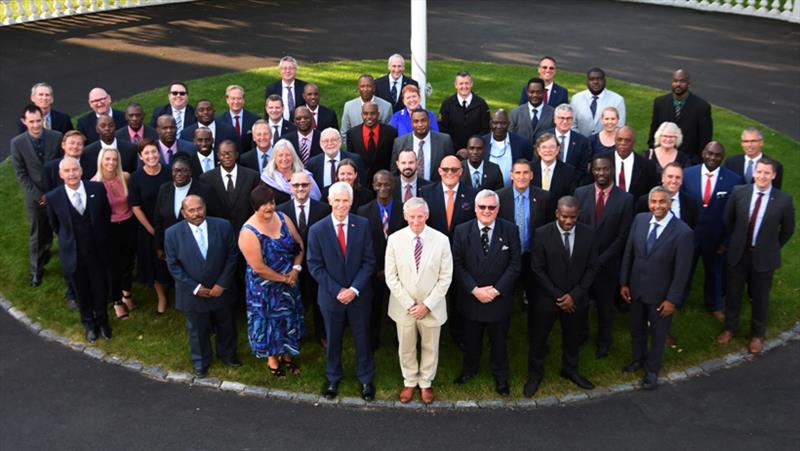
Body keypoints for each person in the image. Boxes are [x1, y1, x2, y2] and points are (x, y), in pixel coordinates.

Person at [306, 182, 377, 401]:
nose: (341, 205)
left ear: (351, 201)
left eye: (345, 200)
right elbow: (315, 265)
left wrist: (354, 289)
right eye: (337, 200)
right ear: (329, 201)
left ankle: (365, 379)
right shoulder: (317, 230)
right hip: (331, 296)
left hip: (359, 295)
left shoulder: (362, 225)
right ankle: (333, 378)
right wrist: (338, 291)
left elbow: (369, 261)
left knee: (362, 338)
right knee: (333, 338)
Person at [717, 159, 794, 354]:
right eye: (759, 172)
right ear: (754, 173)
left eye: (767, 173)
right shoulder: (739, 192)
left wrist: (772, 247)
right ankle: (730, 328)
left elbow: (788, 229)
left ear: (773, 176)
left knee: (760, 297)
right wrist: (737, 241)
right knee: (733, 293)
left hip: (763, 257)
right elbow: (728, 220)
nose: (762, 176)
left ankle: (757, 335)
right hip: (738, 254)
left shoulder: (783, 200)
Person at [620, 186, 694, 390]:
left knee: (659, 334)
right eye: (654, 201)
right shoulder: (640, 220)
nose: (657, 206)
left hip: (661, 295)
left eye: (662, 202)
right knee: (636, 328)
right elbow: (629, 252)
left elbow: (682, 272)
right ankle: (637, 360)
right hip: (635, 289)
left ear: (670, 203)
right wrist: (624, 282)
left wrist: (672, 299)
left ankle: (652, 370)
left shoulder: (683, 233)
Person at [526, 196, 598, 397]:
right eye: (564, 216)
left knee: (573, 338)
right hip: (547, 300)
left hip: (576, 300)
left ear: (578, 215)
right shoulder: (542, 234)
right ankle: (535, 374)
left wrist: (574, 295)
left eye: (573, 217)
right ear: (557, 213)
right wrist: (559, 296)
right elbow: (537, 269)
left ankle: (570, 370)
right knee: (539, 339)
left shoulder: (589, 234)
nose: (568, 221)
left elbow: (593, 267)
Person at [452, 190, 521, 396]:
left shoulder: (510, 230)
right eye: (482, 207)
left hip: (498, 299)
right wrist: (474, 289)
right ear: (475, 208)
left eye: (491, 207)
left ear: (498, 209)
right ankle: (469, 369)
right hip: (471, 297)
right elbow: (456, 264)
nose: (487, 211)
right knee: (471, 340)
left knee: (499, 342)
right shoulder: (461, 231)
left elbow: (515, 264)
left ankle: (501, 376)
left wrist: (496, 290)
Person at [384, 197, 452, 404]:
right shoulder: (395, 239)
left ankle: (426, 383)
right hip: (404, 306)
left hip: (431, 306)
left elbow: (445, 276)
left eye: (420, 216)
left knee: (431, 346)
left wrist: (427, 305)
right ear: (405, 216)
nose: (416, 221)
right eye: (412, 216)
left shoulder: (441, 240)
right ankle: (410, 380)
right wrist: (410, 305)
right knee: (406, 346)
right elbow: (391, 276)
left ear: (427, 216)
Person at [165, 195, 241, 378]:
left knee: (226, 324)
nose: (196, 213)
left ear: (205, 207)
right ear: (183, 213)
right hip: (192, 293)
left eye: (199, 208)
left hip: (220, 289)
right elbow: (173, 265)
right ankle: (201, 362)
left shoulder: (223, 226)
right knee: (197, 329)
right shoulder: (172, 234)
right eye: (191, 210)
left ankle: (228, 355)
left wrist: (222, 284)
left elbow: (232, 256)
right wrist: (195, 287)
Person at [239, 185, 305, 377]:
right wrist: (284, 278)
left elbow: (299, 244)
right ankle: (272, 360)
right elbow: (258, 267)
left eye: (271, 202)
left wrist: (296, 269)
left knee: (287, 319)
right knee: (269, 324)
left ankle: (287, 355)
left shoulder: (284, 218)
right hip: (264, 288)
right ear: (254, 207)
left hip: (290, 282)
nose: (269, 207)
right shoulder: (248, 232)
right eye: (263, 205)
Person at [45, 157, 112, 343]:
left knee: (100, 288)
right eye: (67, 171)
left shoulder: (97, 189)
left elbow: (105, 216)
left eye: (75, 169)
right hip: (73, 254)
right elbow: (56, 226)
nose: (72, 174)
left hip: (97, 251)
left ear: (81, 171)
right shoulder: (53, 197)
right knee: (81, 291)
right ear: (61, 174)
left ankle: (103, 322)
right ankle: (89, 324)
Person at [575, 153, 633, 357]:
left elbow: (622, 236)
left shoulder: (625, 199)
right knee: (581, 303)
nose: (601, 173)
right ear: (592, 170)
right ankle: (580, 335)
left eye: (605, 169)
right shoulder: (580, 194)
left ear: (612, 171)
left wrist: (601, 259)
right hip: (583, 262)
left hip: (607, 264)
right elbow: (576, 227)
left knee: (605, 306)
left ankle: (604, 341)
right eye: (597, 169)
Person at [682, 141, 743, 318]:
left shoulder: (734, 180)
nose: (712, 158)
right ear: (703, 153)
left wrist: (726, 241)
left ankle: (714, 305)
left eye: (717, 155)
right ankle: (678, 301)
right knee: (685, 271)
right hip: (690, 236)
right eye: (709, 153)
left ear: (722, 157)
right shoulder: (687, 175)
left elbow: (735, 215)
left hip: (716, 239)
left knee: (715, 274)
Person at [153, 155, 220, 312]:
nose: (179, 174)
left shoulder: (204, 189)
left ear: (190, 172)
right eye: (176, 170)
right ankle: (186, 304)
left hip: (198, 242)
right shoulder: (165, 189)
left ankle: (205, 306)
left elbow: (216, 215)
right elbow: (158, 219)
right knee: (179, 274)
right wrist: (159, 245)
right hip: (174, 243)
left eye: (184, 170)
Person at [277, 172, 331, 348]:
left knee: (318, 300)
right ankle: (296, 335)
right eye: (296, 185)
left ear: (310, 186)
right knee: (293, 301)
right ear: (290, 187)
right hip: (291, 265)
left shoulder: (323, 209)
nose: (300, 188)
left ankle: (321, 333)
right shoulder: (281, 210)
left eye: (304, 185)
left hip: (317, 263)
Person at [11, 104, 63, 287]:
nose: (35, 125)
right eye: (31, 122)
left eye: (38, 121)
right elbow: (21, 174)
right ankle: (36, 270)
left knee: (62, 230)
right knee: (37, 234)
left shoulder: (56, 137)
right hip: (35, 196)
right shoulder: (17, 143)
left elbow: (62, 166)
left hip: (56, 193)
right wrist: (38, 196)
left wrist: (55, 193)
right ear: (24, 122)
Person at [357, 171, 406, 351]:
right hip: (373, 269)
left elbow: (406, 243)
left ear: (393, 185)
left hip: (399, 270)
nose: (383, 188)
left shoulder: (404, 209)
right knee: (373, 307)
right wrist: (377, 268)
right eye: (379, 184)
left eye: (387, 184)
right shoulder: (363, 211)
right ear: (373, 186)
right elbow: (363, 243)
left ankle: (400, 339)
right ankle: (372, 340)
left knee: (400, 307)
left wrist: (392, 270)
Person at [497, 159, 552, 310]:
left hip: (532, 253)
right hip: (507, 253)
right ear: (511, 175)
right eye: (518, 173)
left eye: (525, 172)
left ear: (532, 175)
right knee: (505, 293)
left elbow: (548, 226)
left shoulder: (544, 197)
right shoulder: (500, 197)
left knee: (534, 293)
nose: (522, 177)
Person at [128, 139, 173, 313]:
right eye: (146, 153)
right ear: (140, 156)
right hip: (149, 228)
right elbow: (135, 206)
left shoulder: (169, 172)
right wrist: (151, 229)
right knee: (154, 263)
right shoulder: (136, 177)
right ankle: (161, 297)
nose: (151, 156)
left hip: (170, 225)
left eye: (154, 152)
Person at [92, 147, 137, 320]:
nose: (111, 162)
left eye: (114, 159)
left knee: (128, 262)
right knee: (113, 267)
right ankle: (117, 301)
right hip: (109, 229)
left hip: (128, 224)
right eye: (107, 159)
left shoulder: (125, 177)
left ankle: (126, 293)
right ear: (101, 161)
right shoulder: (95, 183)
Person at [647, 69, 712, 164]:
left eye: (682, 81)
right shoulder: (660, 103)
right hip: (661, 160)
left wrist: (693, 162)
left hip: (688, 162)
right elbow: (654, 132)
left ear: (688, 83)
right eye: (675, 81)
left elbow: (705, 140)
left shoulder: (702, 107)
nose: (678, 84)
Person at [200, 140, 260, 233]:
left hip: (247, 231)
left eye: (230, 153)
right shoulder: (206, 178)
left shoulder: (252, 176)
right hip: (218, 232)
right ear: (218, 156)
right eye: (223, 154)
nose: (227, 156)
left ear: (236, 155)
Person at [390, 108, 455, 182]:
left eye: (423, 120)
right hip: (409, 189)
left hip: (436, 189)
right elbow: (394, 171)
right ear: (411, 123)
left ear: (429, 121)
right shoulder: (399, 142)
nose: (420, 124)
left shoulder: (444, 140)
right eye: (416, 121)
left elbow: (451, 166)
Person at [635, 162, 700, 230]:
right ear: (662, 178)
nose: (674, 181)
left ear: (681, 181)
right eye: (670, 176)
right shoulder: (645, 200)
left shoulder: (690, 203)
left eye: (678, 177)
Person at [438, 70, 491, 151]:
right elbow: (443, 129)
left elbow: (485, 130)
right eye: (461, 84)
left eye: (467, 83)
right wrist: (456, 148)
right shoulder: (447, 104)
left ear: (471, 84)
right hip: (452, 150)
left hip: (475, 151)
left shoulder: (481, 104)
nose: (464, 86)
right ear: (455, 85)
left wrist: (470, 148)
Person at [346, 102, 398, 184]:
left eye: (373, 113)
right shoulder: (352, 134)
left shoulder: (391, 133)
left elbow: (394, 157)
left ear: (378, 114)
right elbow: (351, 159)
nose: (369, 117)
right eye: (365, 114)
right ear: (361, 114)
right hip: (361, 182)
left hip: (384, 182)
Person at [260, 139, 321, 204]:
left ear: (293, 157)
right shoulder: (267, 178)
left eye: (288, 155)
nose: (284, 158)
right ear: (274, 158)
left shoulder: (305, 176)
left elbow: (316, 199)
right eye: (280, 155)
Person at [542, 104, 591, 183]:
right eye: (561, 118)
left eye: (569, 118)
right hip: (546, 182)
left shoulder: (582, 141)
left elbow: (582, 169)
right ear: (555, 119)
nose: (565, 121)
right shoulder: (543, 137)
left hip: (571, 185)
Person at [482, 109, 531, 187]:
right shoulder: (482, 142)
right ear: (490, 124)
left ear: (508, 124)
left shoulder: (522, 143)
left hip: (513, 192)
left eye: (503, 123)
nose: (499, 126)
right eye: (495, 123)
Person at [571, 68, 626, 137]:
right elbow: (572, 124)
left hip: (606, 145)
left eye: (599, 79)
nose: (595, 82)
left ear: (605, 80)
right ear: (587, 81)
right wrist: (581, 141)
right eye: (592, 79)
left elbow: (619, 127)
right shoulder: (576, 99)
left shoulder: (617, 100)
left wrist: (604, 141)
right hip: (581, 144)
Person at [340, 75, 393, 139]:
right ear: (358, 88)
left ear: (374, 88)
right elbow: (344, 133)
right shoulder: (349, 106)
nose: (365, 89)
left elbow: (389, 133)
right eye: (362, 86)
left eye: (369, 86)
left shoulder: (386, 106)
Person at [613, 126, 658, 200]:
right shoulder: (603, 161)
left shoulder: (647, 166)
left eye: (627, 140)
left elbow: (651, 194)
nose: (623, 143)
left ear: (634, 142)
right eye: (619, 139)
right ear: (615, 140)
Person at [531, 133, 576, 203]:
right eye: (544, 147)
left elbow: (569, 197)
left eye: (552, 147)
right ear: (538, 151)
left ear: (557, 150)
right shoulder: (530, 169)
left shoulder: (569, 171)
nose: (548, 150)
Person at [216, 84, 260, 153]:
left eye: (239, 98)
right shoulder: (219, 120)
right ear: (227, 100)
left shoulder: (254, 119)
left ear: (243, 99)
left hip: (248, 159)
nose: (236, 102)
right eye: (233, 98)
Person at [509, 77, 554, 144]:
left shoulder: (553, 113)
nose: (535, 95)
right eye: (532, 92)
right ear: (527, 92)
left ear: (544, 92)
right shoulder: (515, 113)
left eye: (538, 92)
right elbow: (510, 137)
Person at [264, 56, 307, 121]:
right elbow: (268, 111)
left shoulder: (304, 87)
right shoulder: (272, 88)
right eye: (284, 68)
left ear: (295, 70)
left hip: (300, 125)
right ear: (280, 70)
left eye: (291, 68)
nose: (288, 71)